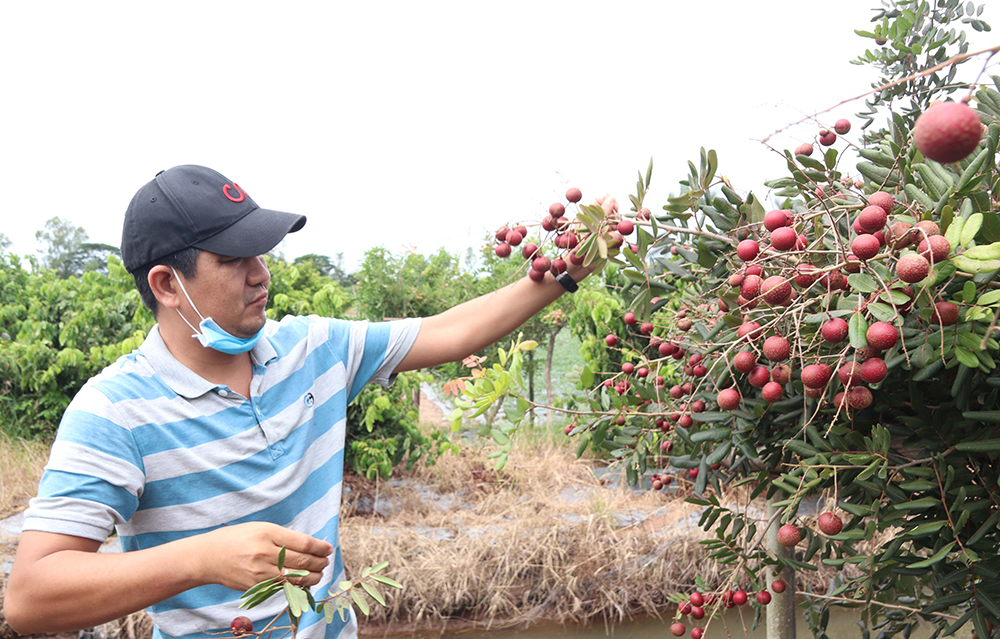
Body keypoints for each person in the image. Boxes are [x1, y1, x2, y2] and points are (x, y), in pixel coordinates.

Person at [3, 165, 594, 639]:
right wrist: (201, 559)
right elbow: (31, 598)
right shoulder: (113, 413)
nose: (261, 275)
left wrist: (572, 265)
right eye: (233, 260)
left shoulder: (311, 348)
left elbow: (449, 332)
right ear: (166, 284)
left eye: (261, 253)